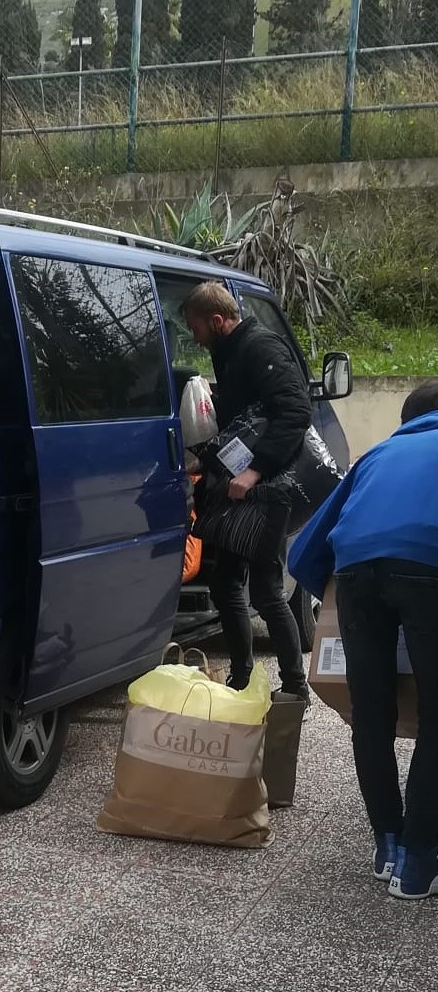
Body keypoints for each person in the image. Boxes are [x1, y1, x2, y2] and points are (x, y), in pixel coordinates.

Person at [289, 380, 438, 900]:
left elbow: (305, 550)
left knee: (371, 714)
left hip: (355, 574)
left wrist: (336, 604)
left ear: (406, 419)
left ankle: (388, 845)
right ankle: (419, 864)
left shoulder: (377, 455)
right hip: (427, 566)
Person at [182, 281, 311, 700]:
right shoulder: (229, 351)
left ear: (218, 320)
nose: (195, 338)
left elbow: (295, 412)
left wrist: (255, 472)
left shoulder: (260, 347)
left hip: (269, 488)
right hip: (241, 486)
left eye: (197, 329)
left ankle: (295, 688)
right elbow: (244, 417)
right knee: (224, 585)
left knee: (267, 591)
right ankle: (240, 680)